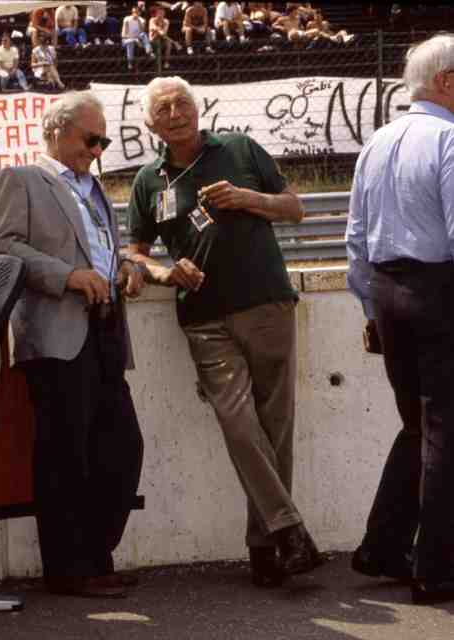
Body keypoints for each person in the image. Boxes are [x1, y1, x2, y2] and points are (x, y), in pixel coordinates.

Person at [125, 76, 323, 588]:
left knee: (275, 427)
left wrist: (246, 197)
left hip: (267, 303)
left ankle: (266, 549)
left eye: (182, 103)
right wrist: (166, 272)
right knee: (238, 423)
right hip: (203, 317)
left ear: (198, 108)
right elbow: (134, 253)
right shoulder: (147, 181)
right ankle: (289, 528)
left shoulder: (239, 148)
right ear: (150, 124)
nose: (175, 113)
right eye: (163, 109)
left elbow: (295, 208)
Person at [0, 91, 144, 598]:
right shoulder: (21, 179)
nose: (97, 150)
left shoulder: (94, 188)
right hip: (55, 333)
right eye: (90, 139)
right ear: (56, 131)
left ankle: (95, 558)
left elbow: (99, 249)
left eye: (103, 142)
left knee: (120, 449)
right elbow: (3, 248)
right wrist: (67, 276)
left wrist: (122, 267)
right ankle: (69, 568)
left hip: (106, 328)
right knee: (65, 454)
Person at [345, 33, 454, 605]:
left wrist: (371, 309)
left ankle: (383, 546)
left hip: (388, 294)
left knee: (419, 426)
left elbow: (355, 239)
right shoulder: (450, 139)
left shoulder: (378, 141)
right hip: (437, 291)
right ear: (447, 81)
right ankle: (436, 569)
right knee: (445, 432)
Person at [122, 6, 153, 71]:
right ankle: (130, 62)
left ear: (139, 13)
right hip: (126, 40)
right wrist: (134, 39)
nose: (134, 14)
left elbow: (142, 32)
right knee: (130, 43)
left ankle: (148, 51)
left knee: (143, 34)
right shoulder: (126, 19)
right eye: (133, 12)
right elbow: (123, 35)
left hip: (138, 39)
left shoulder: (142, 20)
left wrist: (138, 21)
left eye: (136, 12)